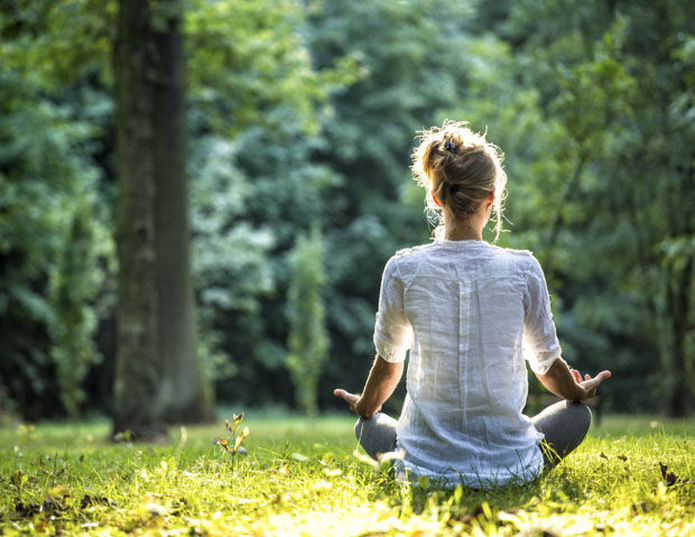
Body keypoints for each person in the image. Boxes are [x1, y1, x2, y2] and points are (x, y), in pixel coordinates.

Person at [334, 120, 611, 487]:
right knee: (577, 417)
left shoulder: (403, 268)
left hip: (422, 469)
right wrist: (576, 391)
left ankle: (423, 458)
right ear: (491, 199)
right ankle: (511, 468)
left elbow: (388, 367)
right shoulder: (523, 269)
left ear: (436, 198)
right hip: (510, 465)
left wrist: (365, 406)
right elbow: (546, 366)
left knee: (366, 426)